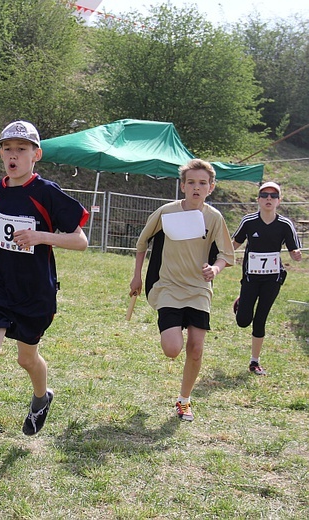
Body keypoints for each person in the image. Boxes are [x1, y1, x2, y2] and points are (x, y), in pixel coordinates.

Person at [0, 121, 89, 476]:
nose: (13, 156)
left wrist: (42, 236)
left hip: (36, 292)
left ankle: (42, 398)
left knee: (27, 359)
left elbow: (80, 240)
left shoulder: (47, 193)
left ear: (36, 155)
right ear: (0, 153)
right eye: (7, 148)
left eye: (22, 149)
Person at [129, 159, 234, 422]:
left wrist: (216, 269)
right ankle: (171, 327)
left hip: (199, 289)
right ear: (182, 186)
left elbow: (226, 254)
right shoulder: (167, 212)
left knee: (196, 348)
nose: (196, 188)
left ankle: (184, 400)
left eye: (202, 183)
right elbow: (142, 243)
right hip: (168, 287)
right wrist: (136, 277)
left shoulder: (214, 217)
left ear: (211, 187)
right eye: (191, 183)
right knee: (172, 349)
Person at [232, 181, 302, 376]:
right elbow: (234, 244)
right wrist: (219, 257)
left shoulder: (285, 224)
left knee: (260, 318)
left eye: (273, 195)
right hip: (250, 278)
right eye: (264, 195)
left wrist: (296, 254)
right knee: (243, 321)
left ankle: (254, 361)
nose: (268, 198)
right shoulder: (249, 221)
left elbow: (293, 249)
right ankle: (241, 302)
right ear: (258, 199)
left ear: (279, 201)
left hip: (272, 279)